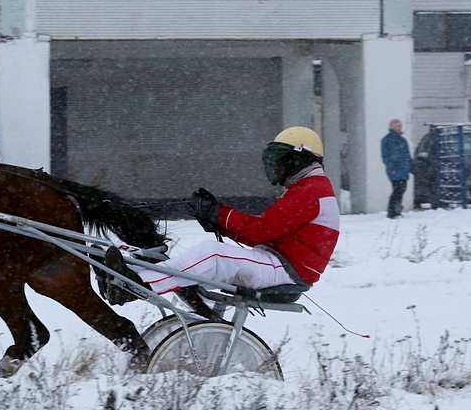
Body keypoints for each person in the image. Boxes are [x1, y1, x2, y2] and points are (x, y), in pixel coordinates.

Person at [104, 126, 340, 301]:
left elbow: (261, 230)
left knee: (212, 254)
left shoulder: (311, 191)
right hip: (279, 265)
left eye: (281, 160)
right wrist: (218, 220)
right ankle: (131, 275)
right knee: (209, 255)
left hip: (286, 272)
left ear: (299, 158)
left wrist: (218, 214)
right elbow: (264, 234)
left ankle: (135, 285)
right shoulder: (306, 188)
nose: (276, 167)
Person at [381, 118, 411, 219]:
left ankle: (397, 210)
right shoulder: (387, 140)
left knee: (401, 190)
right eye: (398, 126)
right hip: (395, 170)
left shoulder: (402, 140)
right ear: (392, 127)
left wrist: (411, 167)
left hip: (403, 169)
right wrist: (391, 167)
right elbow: (385, 156)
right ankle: (392, 211)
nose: (400, 128)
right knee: (397, 190)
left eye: (400, 126)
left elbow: (407, 155)